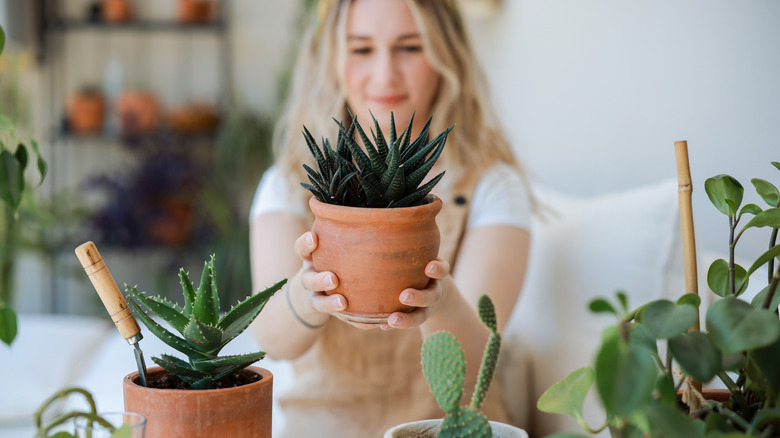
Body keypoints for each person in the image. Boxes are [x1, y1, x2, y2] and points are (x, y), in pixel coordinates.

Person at [248, 0, 532, 436]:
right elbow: (271, 340)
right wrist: (309, 293)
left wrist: (441, 300)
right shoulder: (288, 183)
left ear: (446, 55)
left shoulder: (491, 184)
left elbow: (480, 364)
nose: (385, 74)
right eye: (361, 49)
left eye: (410, 47)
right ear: (331, 59)